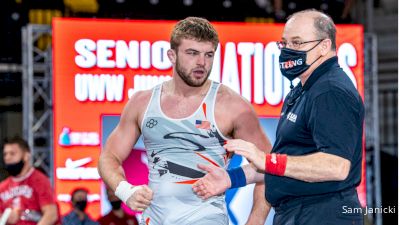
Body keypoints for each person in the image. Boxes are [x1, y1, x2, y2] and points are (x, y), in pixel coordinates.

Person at [193, 9, 365, 225]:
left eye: (297, 42)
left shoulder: (330, 91)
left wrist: (266, 159)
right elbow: (286, 163)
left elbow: (336, 166)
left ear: (324, 46)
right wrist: (230, 178)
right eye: (284, 43)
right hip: (299, 213)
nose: (288, 50)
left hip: (322, 213)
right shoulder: (303, 90)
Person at [98, 16, 272, 225]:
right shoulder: (142, 102)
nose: (202, 62)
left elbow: (270, 165)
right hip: (154, 219)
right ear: (172, 55)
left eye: (209, 55)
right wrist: (125, 190)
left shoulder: (232, 106)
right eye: (192, 53)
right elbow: (108, 157)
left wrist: (255, 221)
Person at [0, 137, 58, 225]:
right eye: (5, 154)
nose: (7, 158)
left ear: (26, 156)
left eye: (12, 153)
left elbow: (51, 214)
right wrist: (6, 217)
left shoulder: (39, 180)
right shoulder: (2, 186)